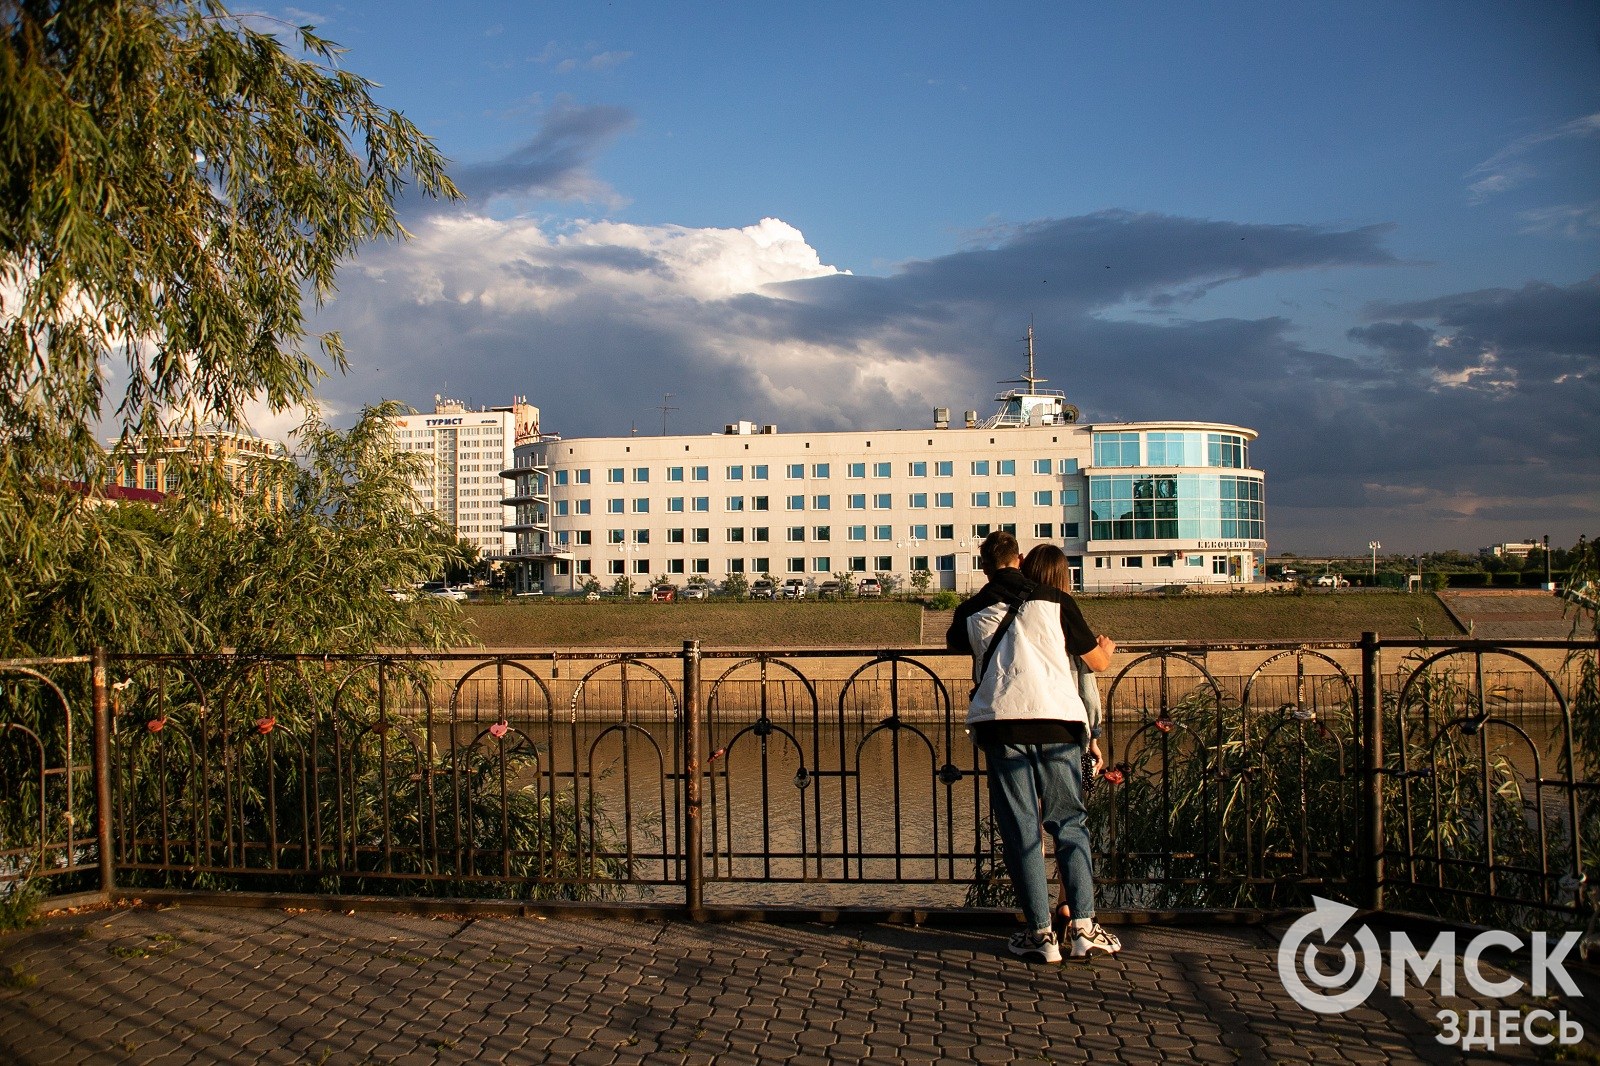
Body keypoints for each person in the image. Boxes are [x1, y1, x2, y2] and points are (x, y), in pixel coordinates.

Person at [947, 531, 1120, 963]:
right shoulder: (1055, 600)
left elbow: (956, 643)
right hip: (1057, 723)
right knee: (1068, 823)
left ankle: (1040, 935)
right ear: (1020, 559)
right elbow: (1095, 662)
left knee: (1022, 830)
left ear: (984, 566)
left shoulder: (970, 609)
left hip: (1001, 725)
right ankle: (1083, 927)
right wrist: (1106, 648)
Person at [1021, 542, 1107, 938]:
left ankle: (1038, 922)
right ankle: (1069, 908)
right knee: (1070, 823)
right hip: (1065, 731)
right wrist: (1094, 734)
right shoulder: (1064, 612)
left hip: (1020, 728)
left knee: (1031, 827)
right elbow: (1087, 678)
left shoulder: (1021, 615)